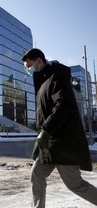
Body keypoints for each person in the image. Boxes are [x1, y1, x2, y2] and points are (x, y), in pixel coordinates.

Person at [22, 48, 97, 208]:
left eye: (29, 66)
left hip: (63, 144)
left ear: (39, 61)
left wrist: (46, 131)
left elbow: (63, 106)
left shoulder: (57, 77)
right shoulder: (44, 83)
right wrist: (42, 136)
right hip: (49, 145)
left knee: (74, 184)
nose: (28, 70)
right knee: (37, 173)